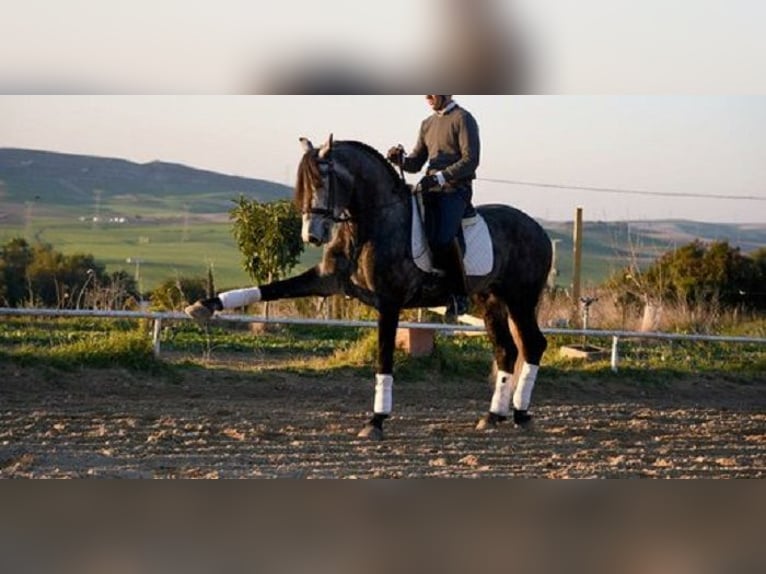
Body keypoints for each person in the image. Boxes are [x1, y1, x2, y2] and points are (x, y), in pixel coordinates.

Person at [387, 95, 479, 318]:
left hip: (456, 190)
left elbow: (471, 160)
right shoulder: (427, 124)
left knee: (442, 239)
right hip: (429, 188)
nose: (427, 96)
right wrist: (400, 160)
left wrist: (441, 177)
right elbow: (416, 163)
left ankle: (459, 295)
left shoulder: (463, 119)